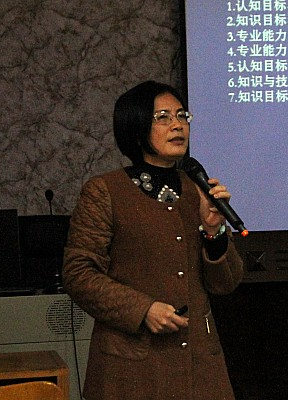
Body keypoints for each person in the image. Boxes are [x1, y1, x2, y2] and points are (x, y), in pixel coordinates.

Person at [62, 80, 244, 400]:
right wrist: (143, 309)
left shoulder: (198, 190)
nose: (177, 125)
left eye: (182, 116)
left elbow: (225, 283)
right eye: (163, 117)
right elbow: (78, 274)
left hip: (199, 366)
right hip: (131, 369)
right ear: (136, 127)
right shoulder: (105, 191)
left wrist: (213, 231)